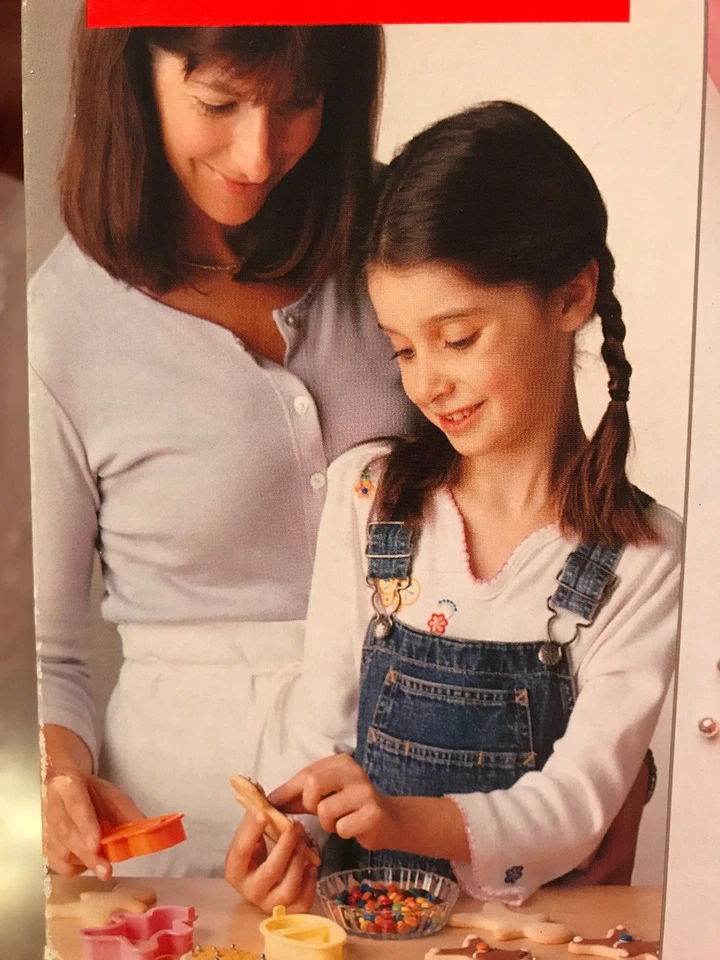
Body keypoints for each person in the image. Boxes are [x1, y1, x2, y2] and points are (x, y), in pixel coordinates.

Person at [225, 101, 680, 911]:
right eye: (402, 347)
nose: (424, 383)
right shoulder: (372, 500)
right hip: (367, 928)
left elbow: (575, 809)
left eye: (459, 337)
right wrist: (283, 835)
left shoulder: (644, 556)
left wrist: (404, 818)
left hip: (529, 936)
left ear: (573, 296)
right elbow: (319, 733)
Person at [31, 21, 415, 881]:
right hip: (193, 830)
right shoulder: (60, 324)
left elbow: (546, 507)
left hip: (430, 799)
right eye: (219, 101)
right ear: (131, 75)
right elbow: (47, 653)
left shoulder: (413, 239)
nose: (258, 151)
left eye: (300, 103)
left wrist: (623, 770)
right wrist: (58, 778)